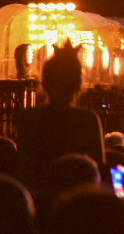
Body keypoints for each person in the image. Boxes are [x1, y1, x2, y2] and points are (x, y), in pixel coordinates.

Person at [16, 40, 105, 188]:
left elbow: (24, 168)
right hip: (79, 194)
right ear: (78, 84)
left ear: (45, 83)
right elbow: (99, 168)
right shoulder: (88, 120)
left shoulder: (29, 118)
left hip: (39, 195)